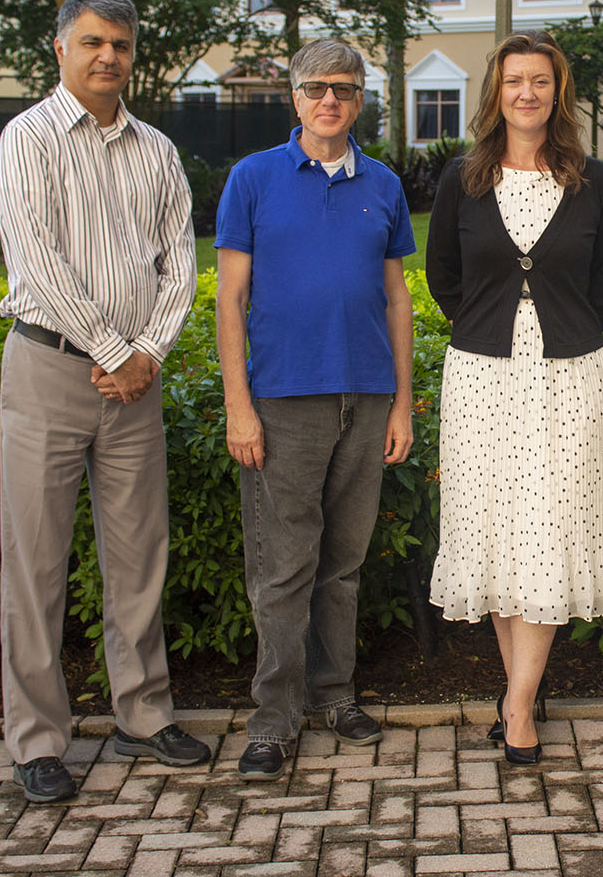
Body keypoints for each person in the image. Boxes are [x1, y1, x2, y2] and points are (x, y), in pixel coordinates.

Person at [0, 0, 207, 804]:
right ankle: (38, 739)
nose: (107, 57)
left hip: (135, 386)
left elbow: (178, 260)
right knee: (37, 562)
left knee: (138, 556)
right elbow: (38, 257)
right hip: (49, 369)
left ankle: (143, 715)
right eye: (91, 42)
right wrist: (117, 350)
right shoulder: (29, 139)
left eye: (119, 44)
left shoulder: (156, 149)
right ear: (61, 48)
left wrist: (148, 351)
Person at [214, 39, 415, 782]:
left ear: (361, 99)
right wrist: (240, 405)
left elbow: (398, 301)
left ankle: (335, 695)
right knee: (282, 567)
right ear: (294, 98)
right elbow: (229, 299)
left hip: (364, 400)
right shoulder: (253, 178)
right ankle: (273, 719)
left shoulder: (384, 184)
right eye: (315, 88)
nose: (330, 100)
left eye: (344, 88)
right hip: (283, 401)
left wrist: (403, 404)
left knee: (344, 566)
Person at [425, 31, 603, 765]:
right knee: (500, 529)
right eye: (515, 81)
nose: (527, 94)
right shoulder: (464, 178)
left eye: (540, 81)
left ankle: (515, 706)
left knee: (549, 523)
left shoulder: (594, 180)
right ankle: (520, 698)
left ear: (558, 91)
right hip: (482, 377)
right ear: (497, 91)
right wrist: (493, 329)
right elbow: (443, 276)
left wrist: (555, 333)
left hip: (570, 376)